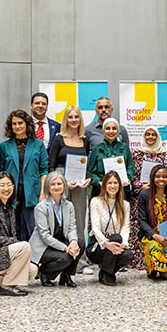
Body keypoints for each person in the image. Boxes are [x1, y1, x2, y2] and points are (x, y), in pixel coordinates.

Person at [48, 106, 92, 274]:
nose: (73, 120)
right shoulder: (59, 139)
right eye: (70, 117)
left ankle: (81, 263)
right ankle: (61, 260)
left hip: (80, 185)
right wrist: (60, 182)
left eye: (76, 117)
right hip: (60, 182)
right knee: (60, 221)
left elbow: (86, 163)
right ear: (66, 120)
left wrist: (87, 178)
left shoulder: (85, 140)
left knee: (80, 221)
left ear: (80, 120)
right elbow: (51, 164)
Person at [0, 110, 49, 242]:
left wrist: (42, 193)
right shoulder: (4, 146)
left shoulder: (38, 144)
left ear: (27, 124)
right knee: (13, 228)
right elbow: (1, 171)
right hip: (11, 193)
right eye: (14, 124)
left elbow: (44, 170)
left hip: (32, 192)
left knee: (33, 227)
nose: (17, 126)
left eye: (20, 123)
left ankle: (34, 254)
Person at [30, 172, 81, 287]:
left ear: (64, 186)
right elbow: (45, 236)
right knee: (65, 257)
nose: (56, 187)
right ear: (48, 187)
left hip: (60, 241)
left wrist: (73, 242)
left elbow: (72, 227)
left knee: (80, 243)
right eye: (53, 184)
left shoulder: (69, 205)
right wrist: (66, 248)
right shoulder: (41, 207)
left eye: (59, 183)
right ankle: (44, 273)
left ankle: (66, 276)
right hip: (43, 247)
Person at [128, 126, 167, 268]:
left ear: (157, 137)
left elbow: (166, 176)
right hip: (139, 198)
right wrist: (140, 186)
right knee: (138, 226)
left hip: (157, 198)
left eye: (153, 135)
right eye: (148, 135)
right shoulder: (137, 154)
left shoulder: (163, 155)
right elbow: (131, 176)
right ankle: (136, 260)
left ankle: (154, 258)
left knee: (154, 226)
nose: (150, 137)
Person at [137, 164, 167, 279]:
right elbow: (142, 221)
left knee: (166, 275)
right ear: (152, 178)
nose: (161, 179)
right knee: (155, 248)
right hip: (151, 237)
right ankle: (152, 267)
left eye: (164, 176)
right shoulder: (144, 195)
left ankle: (161, 267)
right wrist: (156, 236)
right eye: (158, 176)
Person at [87, 171, 133, 286]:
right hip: (97, 246)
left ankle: (104, 272)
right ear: (104, 185)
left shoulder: (125, 204)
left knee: (128, 255)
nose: (112, 186)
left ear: (120, 185)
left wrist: (124, 244)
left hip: (116, 243)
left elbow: (125, 227)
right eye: (109, 183)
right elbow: (95, 228)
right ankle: (109, 274)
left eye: (115, 183)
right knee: (116, 238)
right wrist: (106, 243)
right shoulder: (96, 201)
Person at [88, 117, 134, 198]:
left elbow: (130, 167)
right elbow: (91, 172)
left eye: (114, 128)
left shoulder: (125, 147)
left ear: (118, 131)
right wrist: (99, 182)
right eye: (108, 128)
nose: (111, 131)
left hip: (121, 189)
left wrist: (128, 179)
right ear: (103, 131)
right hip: (101, 190)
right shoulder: (96, 149)